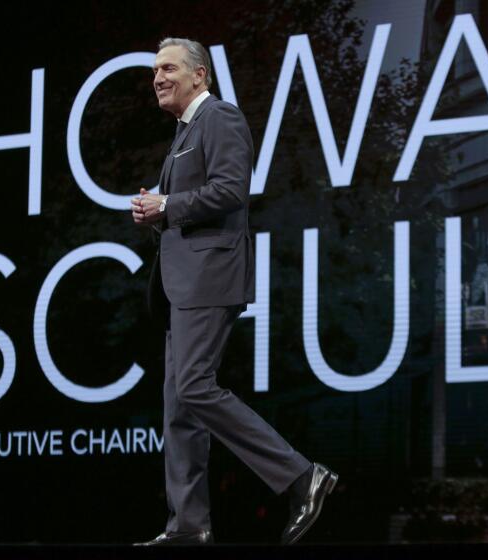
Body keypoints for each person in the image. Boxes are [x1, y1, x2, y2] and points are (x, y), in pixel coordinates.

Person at [130, 37, 337, 546]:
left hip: (209, 277)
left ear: (200, 75)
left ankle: (300, 475)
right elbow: (191, 201)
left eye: (169, 68)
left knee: (195, 386)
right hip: (184, 283)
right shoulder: (185, 132)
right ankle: (188, 525)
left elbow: (230, 190)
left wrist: (167, 206)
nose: (158, 77)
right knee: (179, 405)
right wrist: (158, 213)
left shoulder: (220, 118)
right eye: (155, 69)